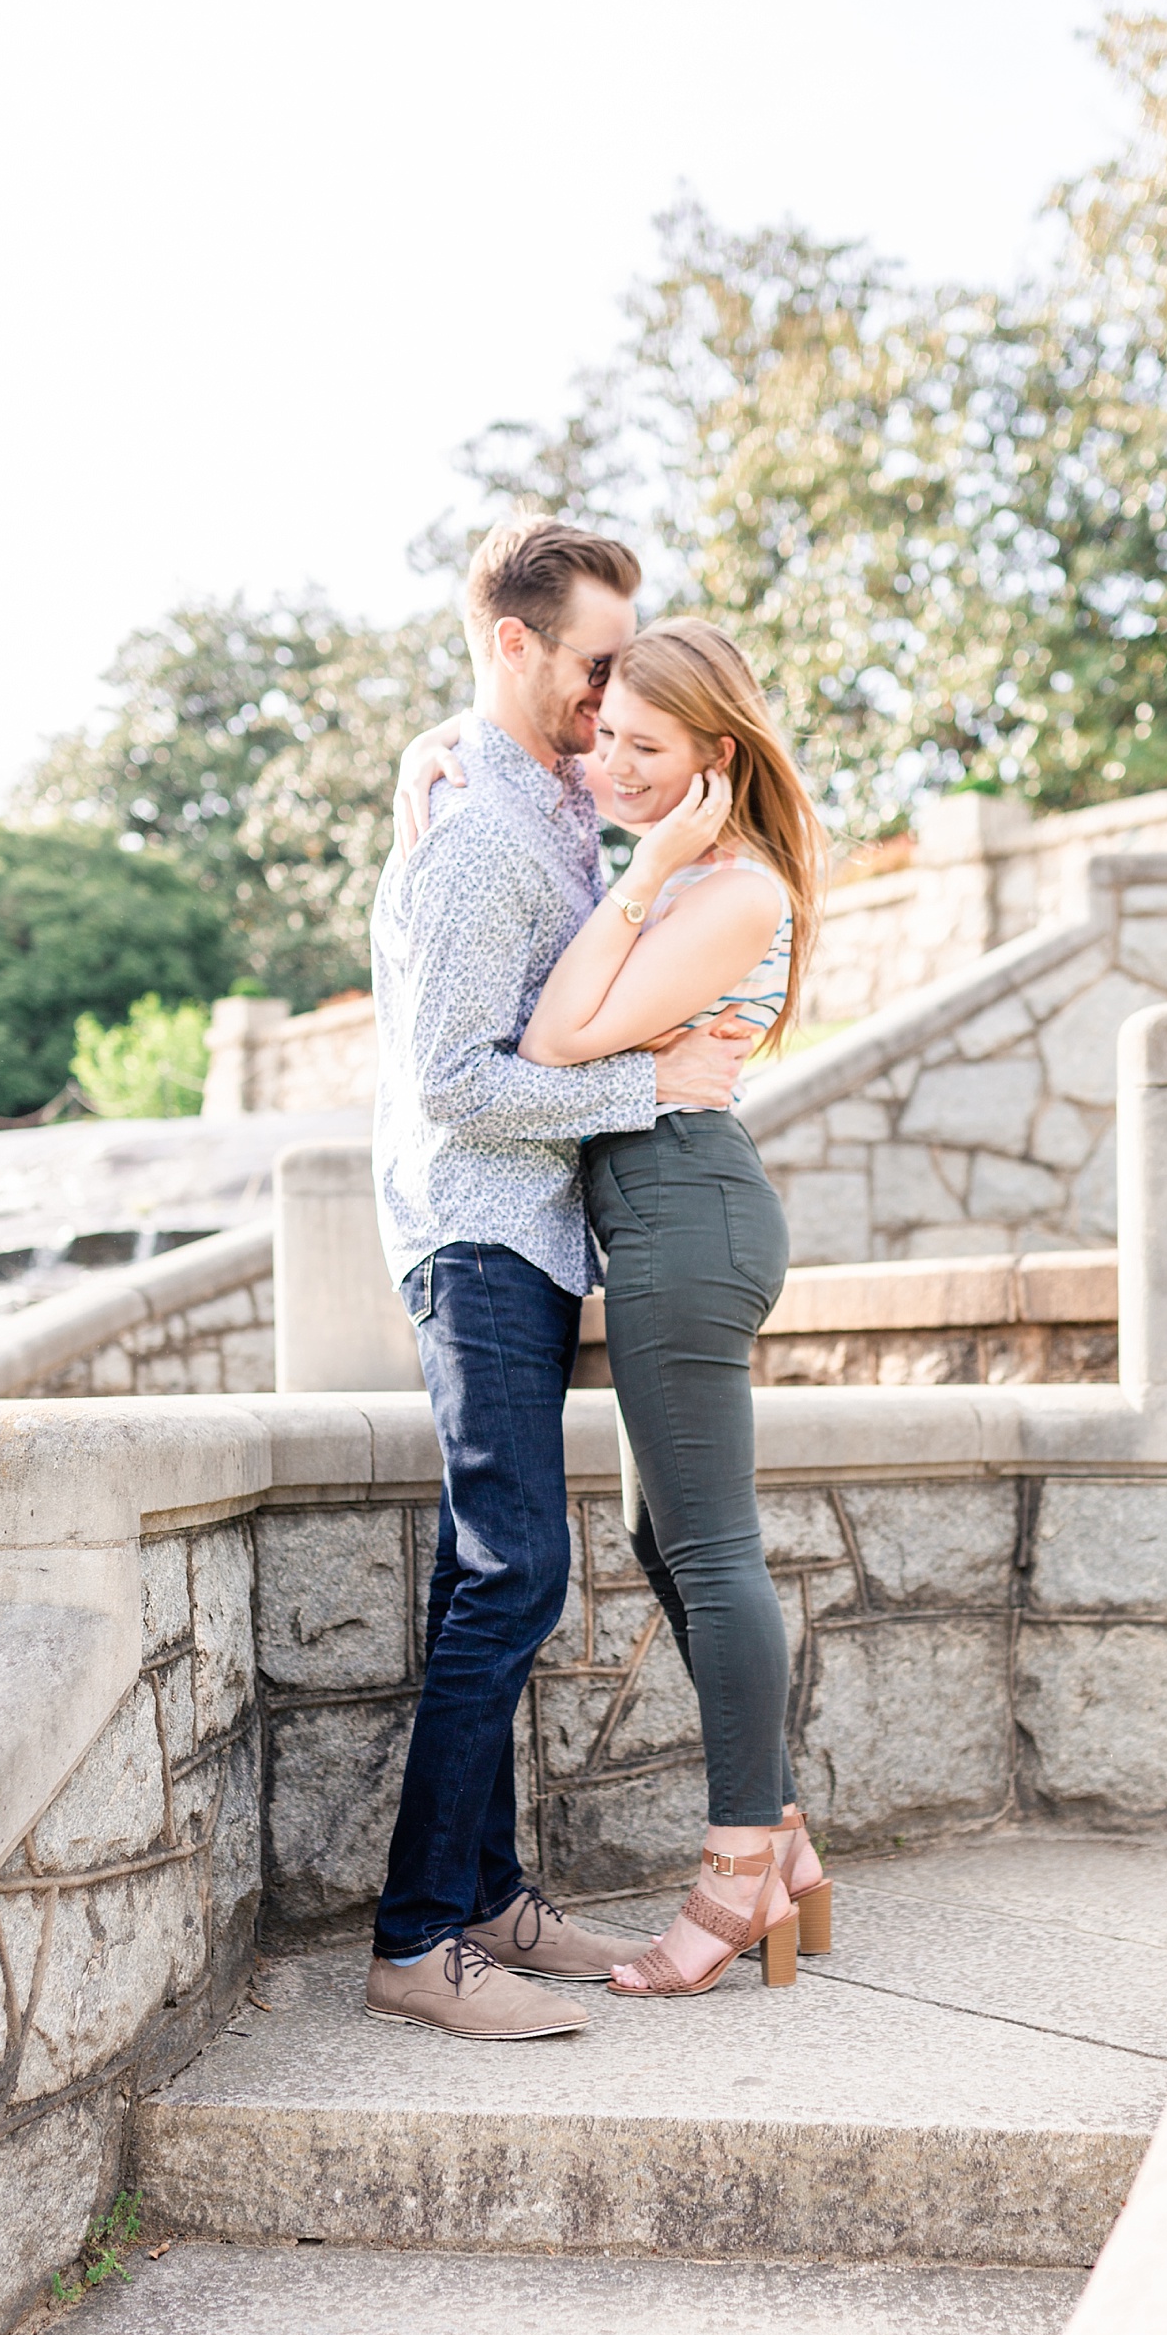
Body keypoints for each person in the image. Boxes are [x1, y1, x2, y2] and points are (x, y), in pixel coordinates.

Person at [397, 615, 836, 2000]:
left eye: (648, 749)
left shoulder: (734, 888)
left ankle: (736, 1875)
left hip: (688, 1208)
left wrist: (644, 876)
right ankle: (787, 1845)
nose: (613, 766)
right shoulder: (672, 867)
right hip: (648, 1213)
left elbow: (556, 1038)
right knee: (665, 1535)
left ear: (717, 754)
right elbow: (564, 1021)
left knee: (709, 1551)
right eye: (607, 741)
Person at [364, 518, 754, 2042]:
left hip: (525, 1237)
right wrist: (648, 1086)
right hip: (474, 1230)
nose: (615, 697)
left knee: (493, 1570)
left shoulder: (531, 795)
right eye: (595, 664)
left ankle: (490, 1894)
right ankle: (415, 1939)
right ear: (513, 644)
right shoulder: (470, 831)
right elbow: (459, 1086)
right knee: (517, 1568)